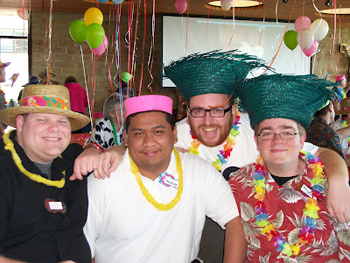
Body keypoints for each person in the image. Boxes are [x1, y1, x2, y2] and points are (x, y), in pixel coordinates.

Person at [163, 50, 350, 263]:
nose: (207, 121)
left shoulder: (260, 130)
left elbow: (322, 153)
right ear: (188, 114)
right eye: (198, 111)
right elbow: (134, 151)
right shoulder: (175, 137)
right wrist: (117, 151)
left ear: (233, 111)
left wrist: (338, 182)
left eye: (217, 110)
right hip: (198, 232)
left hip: (251, 229)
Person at [83, 95, 247, 263]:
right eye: (139, 133)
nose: (149, 142)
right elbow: (82, 247)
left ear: (174, 134)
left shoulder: (199, 171)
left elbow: (234, 222)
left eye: (158, 132)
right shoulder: (103, 179)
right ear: (125, 137)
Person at [229, 74, 350, 262]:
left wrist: (339, 181)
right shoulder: (238, 183)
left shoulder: (330, 181)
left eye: (287, 132)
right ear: (256, 141)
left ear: (302, 140)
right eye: (267, 133)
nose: (277, 141)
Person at [0, 84, 92, 262]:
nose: (54, 129)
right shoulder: (4, 171)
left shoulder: (72, 160)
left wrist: (104, 150)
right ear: (20, 123)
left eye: (62, 121)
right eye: (42, 120)